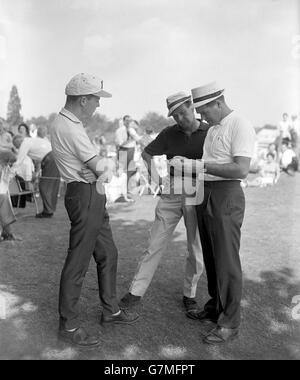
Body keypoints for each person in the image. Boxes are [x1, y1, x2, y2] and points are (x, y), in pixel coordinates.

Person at [50, 73, 138, 348]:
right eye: (96, 100)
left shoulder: (66, 122)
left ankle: (110, 311)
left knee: (108, 252)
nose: (98, 106)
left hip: (89, 192)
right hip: (84, 192)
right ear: (83, 100)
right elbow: (102, 168)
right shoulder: (70, 127)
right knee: (78, 261)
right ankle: (68, 325)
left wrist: (100, 169)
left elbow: (97, 168)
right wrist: (103, 168)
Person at [120, 92, 208, 318]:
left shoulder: (209, 131)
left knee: (195, 247)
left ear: (192, 107)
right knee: (154, 243)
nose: (179, 118)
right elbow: (147, 153)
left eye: (182, 112)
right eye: (174, 115)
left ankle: (190, 294)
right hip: (171, 189)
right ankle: (135, 291)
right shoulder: (169, 133)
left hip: (198, 189)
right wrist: (156, 180)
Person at [190, 81, 256, 344]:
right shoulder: (214, 128)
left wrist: (200, 164)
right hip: (205, 193)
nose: (202, 117)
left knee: (227, 260)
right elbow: (209, 166)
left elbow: (241, 170)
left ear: (218, 102)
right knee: (211, 255)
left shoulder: (239, 124)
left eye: (204, 111)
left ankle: (229, 322)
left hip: (226, 194)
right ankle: (215, 306)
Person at [14, 126, 61, 218]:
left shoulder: (25, 143)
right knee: (51, 185)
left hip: (51, 159)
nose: (17, 148)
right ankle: (49, 210)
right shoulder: (32, 141)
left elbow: (19, 160)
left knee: (44, 186)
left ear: (19, 141)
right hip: (54, 157)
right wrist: (37, 172)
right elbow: (39, 158)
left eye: (16, 145)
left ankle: (48, 211)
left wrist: (10, 172)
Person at [115, 115, 142, 189]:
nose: (128, 122)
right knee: (122, 170)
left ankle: (126, 188)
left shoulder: (132, 130)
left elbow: (138, 139)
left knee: (130, 170)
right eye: (126, 120)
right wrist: (130, 139)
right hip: (123, 150)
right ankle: (120, 188)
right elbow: (119, 143)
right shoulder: (120, 130)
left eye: (129, 120)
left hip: (131, 150)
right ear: (123, 121)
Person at [0, 150, 18, 242]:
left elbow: (6, 180)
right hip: (1, 195)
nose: (10, 164)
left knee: (4, 214)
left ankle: (8, 233)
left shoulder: (5, 167)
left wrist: (11, 173)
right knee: (4, 214)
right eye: (9, 161)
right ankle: (8, 233)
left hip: (4, 193)